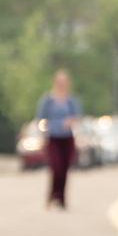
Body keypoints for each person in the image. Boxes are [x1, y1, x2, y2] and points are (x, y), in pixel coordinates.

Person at [36, 70, 83, 210]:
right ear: (55, 82)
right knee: (56, 166)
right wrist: (42, 132)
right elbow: (40, 118)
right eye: (59, 81)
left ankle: (62, 197)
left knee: (64, 168)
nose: (62, 84)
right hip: (53, 137)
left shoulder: (71, 100)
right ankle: (52, 194)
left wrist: (70, 121)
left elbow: (78, 117)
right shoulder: (48, 99)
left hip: (67, 137)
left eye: (64, 82)